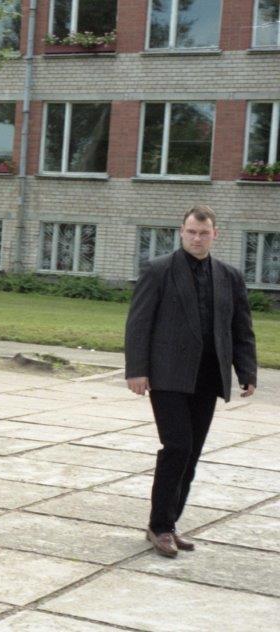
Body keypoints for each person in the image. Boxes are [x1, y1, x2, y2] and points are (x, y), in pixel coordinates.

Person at [125, 205, 257, 558]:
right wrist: (136, 369)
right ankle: (159, 526)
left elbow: (241, 329)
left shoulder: (229, 276)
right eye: (191, 232)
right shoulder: (158, 270)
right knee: (178, 447)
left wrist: (247, 372)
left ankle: (169, 523)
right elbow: (139, 323)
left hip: (208, 377)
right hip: (168, 375)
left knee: (192, 453)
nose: (197, 239)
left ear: (215, 235)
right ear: (181, 232)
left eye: (204, 233)